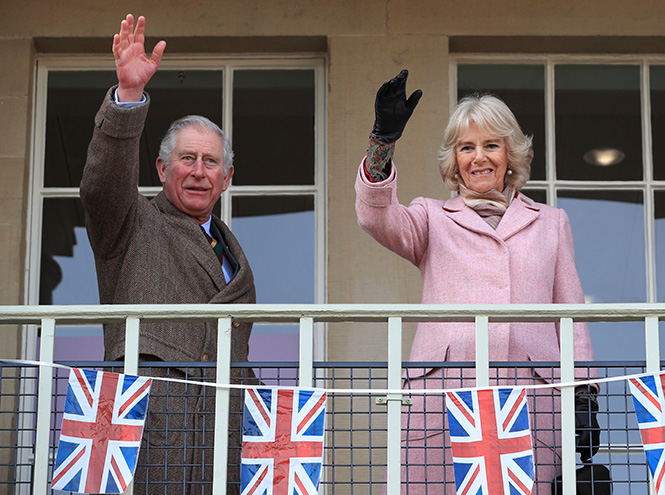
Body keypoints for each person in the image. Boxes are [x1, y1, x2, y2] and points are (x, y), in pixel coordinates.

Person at [355, 70, 600, 494]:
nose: (479, 157)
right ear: (455, 160)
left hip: (531, 399)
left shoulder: (551, 223)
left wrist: (584, 392)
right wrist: (382, 142)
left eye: (491, 145)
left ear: (511, 154)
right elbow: (375, 216)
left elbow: (571, 315)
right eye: (467, 147)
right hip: (443, 397)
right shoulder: (430, 216)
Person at [80, 14, 256, 495]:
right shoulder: (132, 222)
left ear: (227, 178)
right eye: (187, 159)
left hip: (221, 436)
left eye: (211, 162)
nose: (199, 172)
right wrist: (128, 99)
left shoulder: (228, 247)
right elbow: (101, 185)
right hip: (149, 427)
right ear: (161, 168)